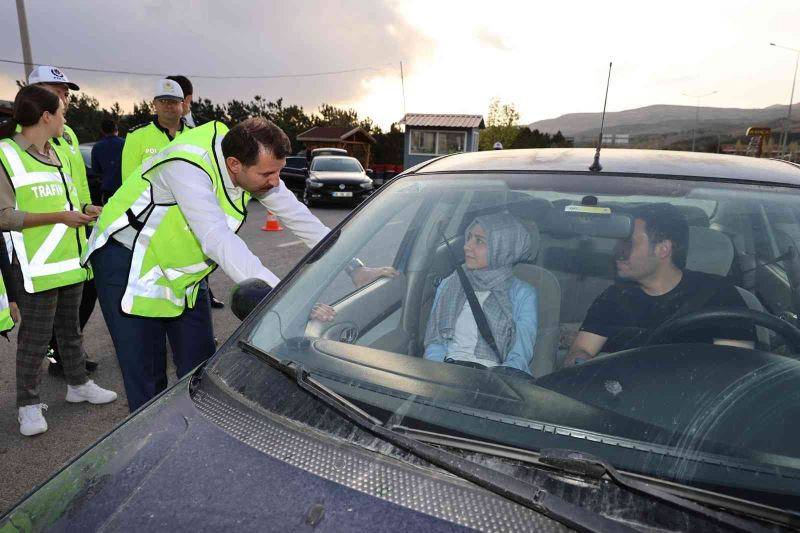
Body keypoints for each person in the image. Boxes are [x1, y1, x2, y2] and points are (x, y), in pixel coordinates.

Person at [84, 117, 395, 411]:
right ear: (234, 165)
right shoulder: (186, 166)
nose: (275, 183)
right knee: (147, 376)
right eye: (267, 175)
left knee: (201, 366)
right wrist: (287, 299)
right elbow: (217, 239)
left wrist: (355, 268)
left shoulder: (252, 164)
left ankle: (197, 438)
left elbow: (300, 218)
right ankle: (148, 451)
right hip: (127, 263)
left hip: (181, 276)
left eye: (279, 172)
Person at [0, 85, 117, 436]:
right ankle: (28, 406)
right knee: (34, 341)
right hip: (34, 266)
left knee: (71, 332)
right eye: (62, 112)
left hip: (70, 260)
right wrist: (60, 217)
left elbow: (68, 200)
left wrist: (84, 210)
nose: (66, 118)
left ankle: (78, 384)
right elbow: (4, 216)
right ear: (47, 117)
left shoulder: (60, 151)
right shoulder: (6, 154)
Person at [565, 203, 755, 366]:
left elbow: (734, 369)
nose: (617, 252)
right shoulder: (615, 297)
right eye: (619, 244)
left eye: (628, 244)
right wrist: (580, 362)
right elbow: (580, 350)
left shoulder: (719, 296)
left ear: (663, 249)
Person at [26, 66, 101, 377]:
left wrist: (86, 206)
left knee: (85, 292)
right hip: (40, 233)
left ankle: (65, 355)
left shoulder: (67, 132)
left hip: (75, 227)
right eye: (56, 91)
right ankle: (57, 359)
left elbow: (76, 180)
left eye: (66, 93)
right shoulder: (19, 134)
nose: (64, 98)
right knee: (39, 314)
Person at [423, 213, 538, 375]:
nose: (467, 246)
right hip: (447, 370)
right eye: (469, 237)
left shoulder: (523, 294)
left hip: (495, 378)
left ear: (502, 248)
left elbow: (520, 353)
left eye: (479, 241)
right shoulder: (450, 283)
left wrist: (497, 381)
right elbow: (434, 340)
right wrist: (438, 373)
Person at [165, 74, 225, 308]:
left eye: (176, 99)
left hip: (198, 205)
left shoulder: (202, 128)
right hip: (167, 211)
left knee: (202, 257)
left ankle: (203, 298)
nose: (170, 105)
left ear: (187, 99)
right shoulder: (153, 130)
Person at [120, 79, 188, 182]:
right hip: (148, 198)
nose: (168, 105)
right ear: (154, 104)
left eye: (173, 101)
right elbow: (129, 181)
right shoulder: (136, 136)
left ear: (182, 105)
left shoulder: (195, 135)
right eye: (163, 101)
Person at [92, 119, 124, 204]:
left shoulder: (97, 147)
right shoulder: (126, 143)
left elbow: (95, 171)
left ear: (102, 131)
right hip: (126, 188)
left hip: (108, 190)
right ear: (116, 129)